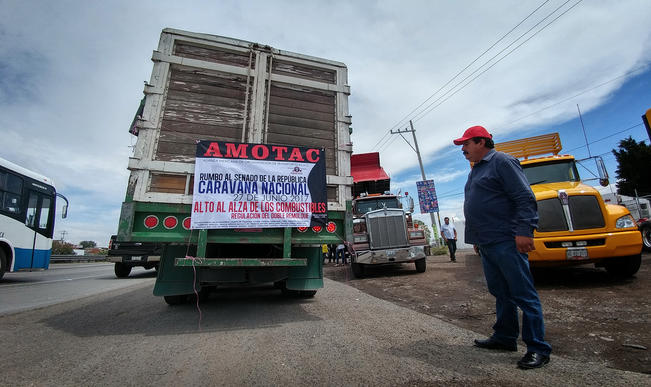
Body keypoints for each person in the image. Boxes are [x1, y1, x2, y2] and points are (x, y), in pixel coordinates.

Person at [454, 125, 551, 370]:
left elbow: (524, 197)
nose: (463, 149)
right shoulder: (476, 170)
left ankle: (538, 348)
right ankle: (506, 338)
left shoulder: (503, 162)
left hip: (506, 240)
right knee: (501, 292)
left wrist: (524, 231)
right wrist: (476, 239)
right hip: (487, 242)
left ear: (481, 142)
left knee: (523, 294)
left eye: (466, 144)